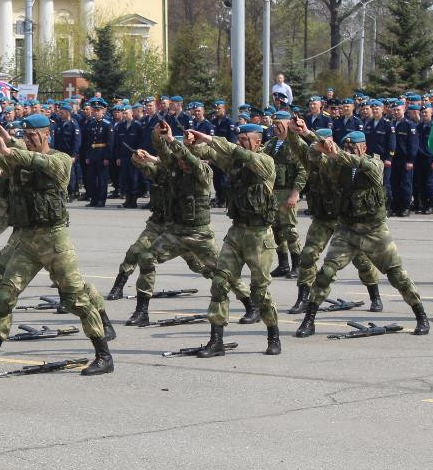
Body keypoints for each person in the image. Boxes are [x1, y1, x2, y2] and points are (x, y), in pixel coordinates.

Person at [0, 114, 113, 377]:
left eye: (32, 135)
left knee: (76, 298)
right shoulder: (19, 157)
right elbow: (3, 161)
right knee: (4, 295)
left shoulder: (60, 160)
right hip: (27, 240)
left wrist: (7, 147)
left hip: (54, 239)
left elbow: (34, 160)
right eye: (25, 134)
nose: (28, 139)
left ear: (46, 134)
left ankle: (103, 355)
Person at [294, 131, 430, 338]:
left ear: (364, 148)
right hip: (347, 229)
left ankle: (420, 315)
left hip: (374, 230)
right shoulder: (338, 166)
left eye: (353, 147)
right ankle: (309, 319)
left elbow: (356, 162)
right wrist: (316, 143)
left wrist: (336, 152)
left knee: (396, 275)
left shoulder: (374, 164)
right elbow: (312, 158)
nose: (349, 151)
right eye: (346, 147)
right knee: (326, 273)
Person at [122, 122, 259, 327]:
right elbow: (164, 154)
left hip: (199, 235)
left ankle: (251, 306)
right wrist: (159, 136)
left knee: (222, 272)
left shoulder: (203, 172)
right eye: (179, 159)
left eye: (183, 157)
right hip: (176, 233)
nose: (180, 161)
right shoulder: (175, 170)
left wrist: (172, 141)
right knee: (146, 257)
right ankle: (142, 311)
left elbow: (189, 159)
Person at [186, 125, 281, 356]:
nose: (241, 143)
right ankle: (216, 341)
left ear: (258, 142)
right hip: (237, 233)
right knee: (219, 284)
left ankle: (273, 335)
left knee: (259, 292)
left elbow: (235, 152)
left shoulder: (265, 162)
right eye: (239, 139)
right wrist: (188, 143)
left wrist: (208, 137)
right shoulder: (235, 164)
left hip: (260, 236)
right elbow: (206, 154)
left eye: (246, 139)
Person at [287, 124, 382, 314]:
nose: (320, 149)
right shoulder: (311, 160)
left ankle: (375, 296)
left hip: (342, 218)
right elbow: (296, 144)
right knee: (308, 255)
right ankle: (303, 298)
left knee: (361, 260)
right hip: (322, 217)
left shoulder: (339, 160)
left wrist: (312, 136)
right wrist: (294, 129)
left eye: (323, 144)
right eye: (317, 146)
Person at [263, 110, 308, 278]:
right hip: (272, 191)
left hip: (288, 190)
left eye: (279, 124)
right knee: (275, 229)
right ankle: (283, 264)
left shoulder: (297, 144)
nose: (275, 127)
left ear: (288, 124)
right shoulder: (270, 144)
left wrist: (295, 194)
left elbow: (303, 171)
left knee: (289, 229)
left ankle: (297, 264)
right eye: (274, 124)